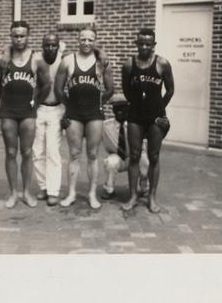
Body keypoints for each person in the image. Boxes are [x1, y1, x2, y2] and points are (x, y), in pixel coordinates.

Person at [54, 25, 114, 209]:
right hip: (74, 114)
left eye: (90, 39)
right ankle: (71, 193)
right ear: (78, 40)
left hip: (94, 114)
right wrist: (68, 104)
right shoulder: (67, 61)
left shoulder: (101, 61)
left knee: (93, 154)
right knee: (73, 154)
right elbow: (58, 89)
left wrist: (99, 102)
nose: (86, 42)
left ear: (94, 41)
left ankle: (91, 194)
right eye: (83, 39)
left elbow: (110, 89)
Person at [0, 21, 51, 209]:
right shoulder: (3, 60)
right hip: (8, 112)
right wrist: (7, 101)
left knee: (27, 153)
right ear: (11, 36)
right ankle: (13, 193)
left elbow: (46, 85)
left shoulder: (37, 60)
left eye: (22, 35)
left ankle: (26, 192)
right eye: (15, 36)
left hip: (28, 112)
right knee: (10, 152)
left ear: (28, 36)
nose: (19, 39)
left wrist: (36, 103)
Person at [121, 28, 174, 213]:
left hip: (155, 118)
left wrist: (159, 108)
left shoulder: (162, 64)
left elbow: (170, 90)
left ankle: (152, 196)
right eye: (141, 43)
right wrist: (137, 104)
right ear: (136, 43)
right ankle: (133, 195)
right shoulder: (129, 65)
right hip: (135, 115)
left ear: (154, 45)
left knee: (154, 156)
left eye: (148, 44)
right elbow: (127, 91)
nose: (144, 47)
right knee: (134, 156)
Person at [32, 33, 65, 207]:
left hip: (57, 109)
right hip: (39, 108)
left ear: (59, 46)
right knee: (37, 150)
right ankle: (43, 186)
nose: (50, 48)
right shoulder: (36, 59)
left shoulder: (64, 59)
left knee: (53, 150)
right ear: (42, 46)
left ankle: (53, 191)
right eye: (47, 45)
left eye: (54, 45)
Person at [101, 95, 150, 200]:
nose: (119, 111)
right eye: (116, 108)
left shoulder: (136, 125)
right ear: (113, 109)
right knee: (110, 162)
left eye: (123, 108)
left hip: (135, 157)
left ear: (128, 108)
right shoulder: (106, 125)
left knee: (144, 160)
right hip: (118, 157)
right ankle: (109, 189)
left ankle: (145, 187)